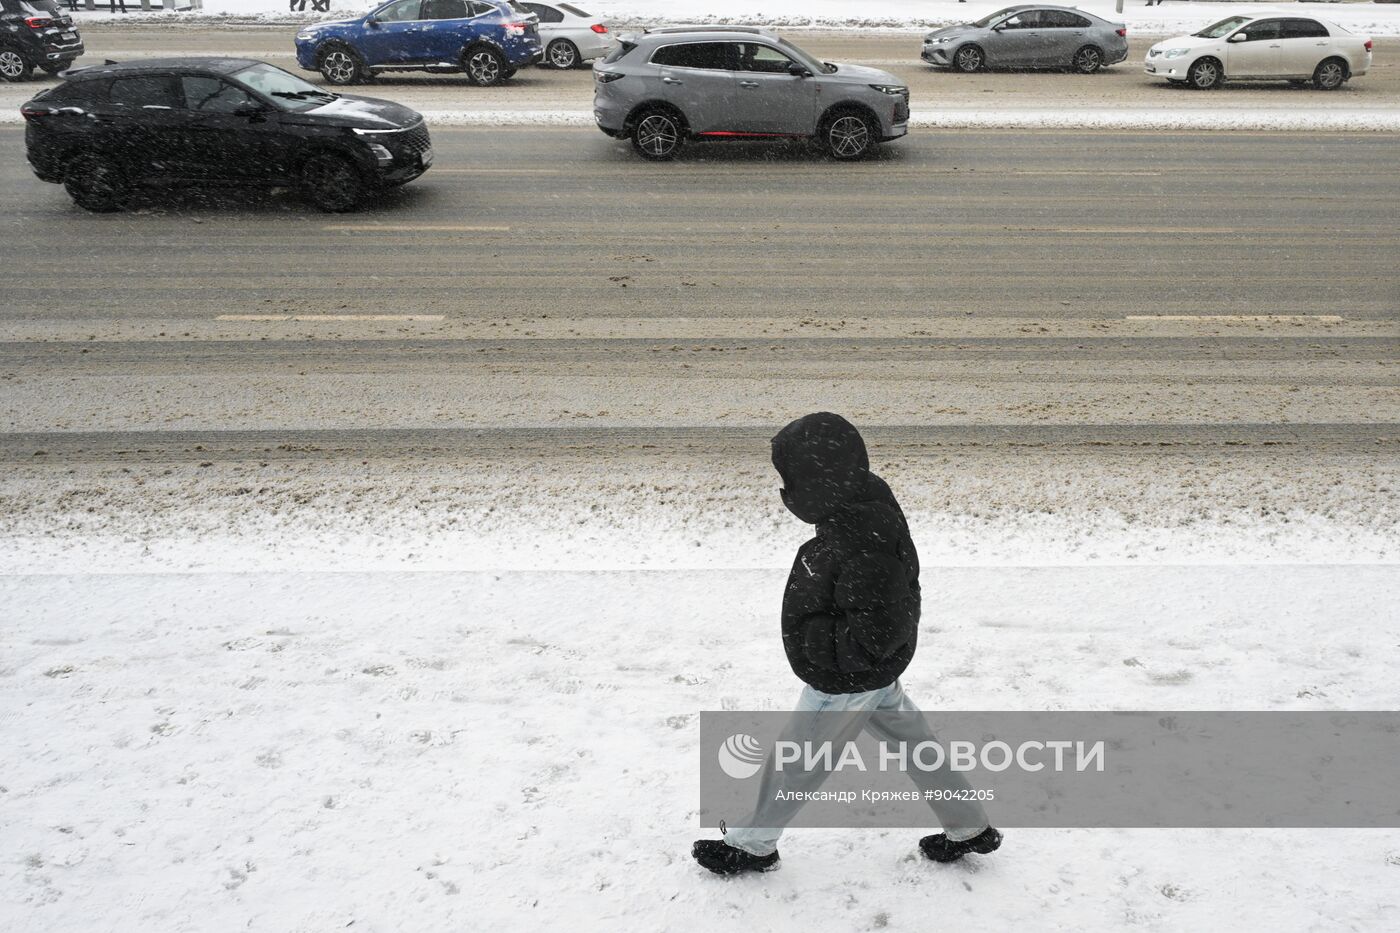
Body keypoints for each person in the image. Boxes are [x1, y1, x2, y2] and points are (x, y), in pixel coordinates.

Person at [692, 412, 1002, 875]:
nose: (786, 492)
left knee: (797, 758)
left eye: (791, 480)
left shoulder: (860, 536)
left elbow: (877, 627)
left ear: (819, 480)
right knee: (916, 744)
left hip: (847, 676)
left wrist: (818, 646)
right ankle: (970, 826)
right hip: (872, 672)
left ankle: (753, 844)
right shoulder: (861, 510)